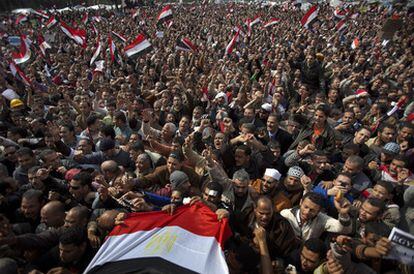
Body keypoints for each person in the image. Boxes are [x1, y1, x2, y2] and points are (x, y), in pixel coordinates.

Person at [280, 192, 352, 241]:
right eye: (305, 207)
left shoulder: (321, 219)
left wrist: (343, 214)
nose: (307, 212)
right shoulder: (286, 215)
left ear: (319, 211)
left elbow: (344, 230)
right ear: (301, 202)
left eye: (312, 210)